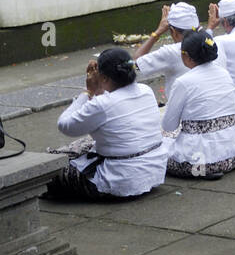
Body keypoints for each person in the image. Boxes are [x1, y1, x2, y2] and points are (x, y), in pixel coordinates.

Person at [47, 48, 168, 201]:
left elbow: (64, 125)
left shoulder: (102, 104)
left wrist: (88, 92)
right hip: (154, 172)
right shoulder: (146, 90)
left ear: (103, 78)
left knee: (45, 174)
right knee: (83, 144)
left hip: (120, 181)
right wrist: (98, 91)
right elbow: (112, 106)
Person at [161, 31, 235, 178]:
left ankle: (203, 170)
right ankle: (213, 166)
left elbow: (169, 126)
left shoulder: (184, 82)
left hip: (199, 160)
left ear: (186, 56)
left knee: (157, 149)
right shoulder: (224, 73)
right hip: (233, 154)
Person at [133, 1, 224, 99]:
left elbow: (136, 64)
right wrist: (209, 28)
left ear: (173, 31)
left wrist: (158, 32)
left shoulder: (171, 52)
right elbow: (202, 41)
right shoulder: (212, 44)